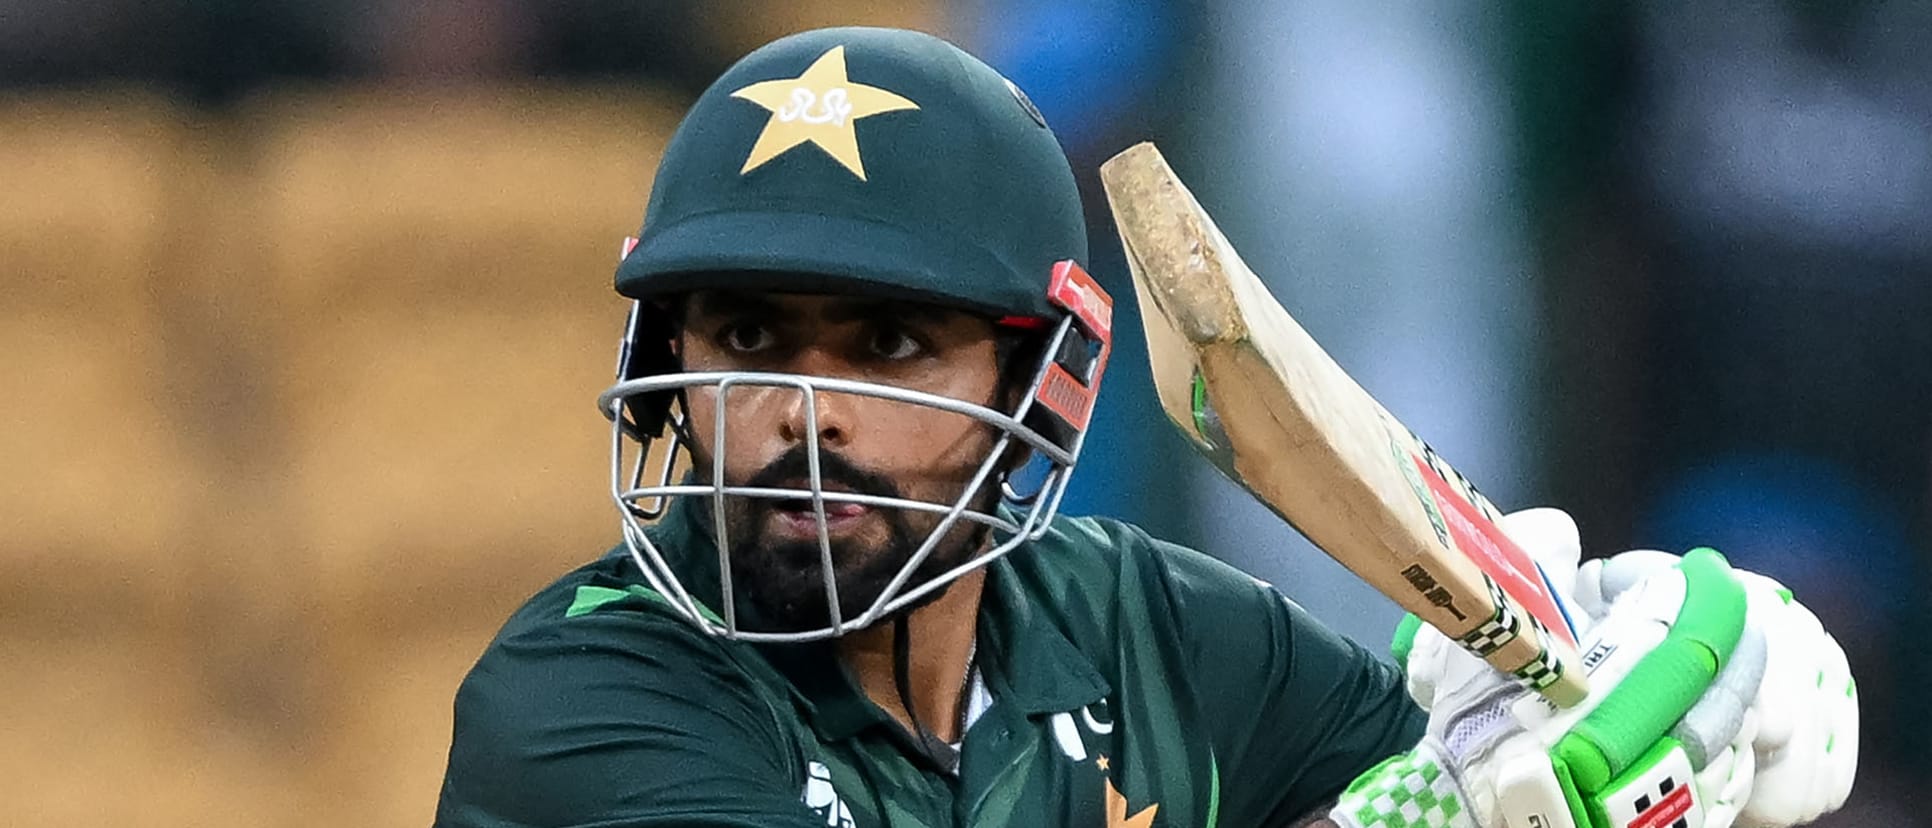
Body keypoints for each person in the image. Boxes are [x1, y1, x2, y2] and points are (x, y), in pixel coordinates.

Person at [434, 27, 1856, 828]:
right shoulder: (578, 698)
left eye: (885, 346)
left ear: (1039, 378)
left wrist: (1613, 681)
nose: (804, 417)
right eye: (746, 338)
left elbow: (1470, 755)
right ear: (665, 363)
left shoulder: (1141, 625)